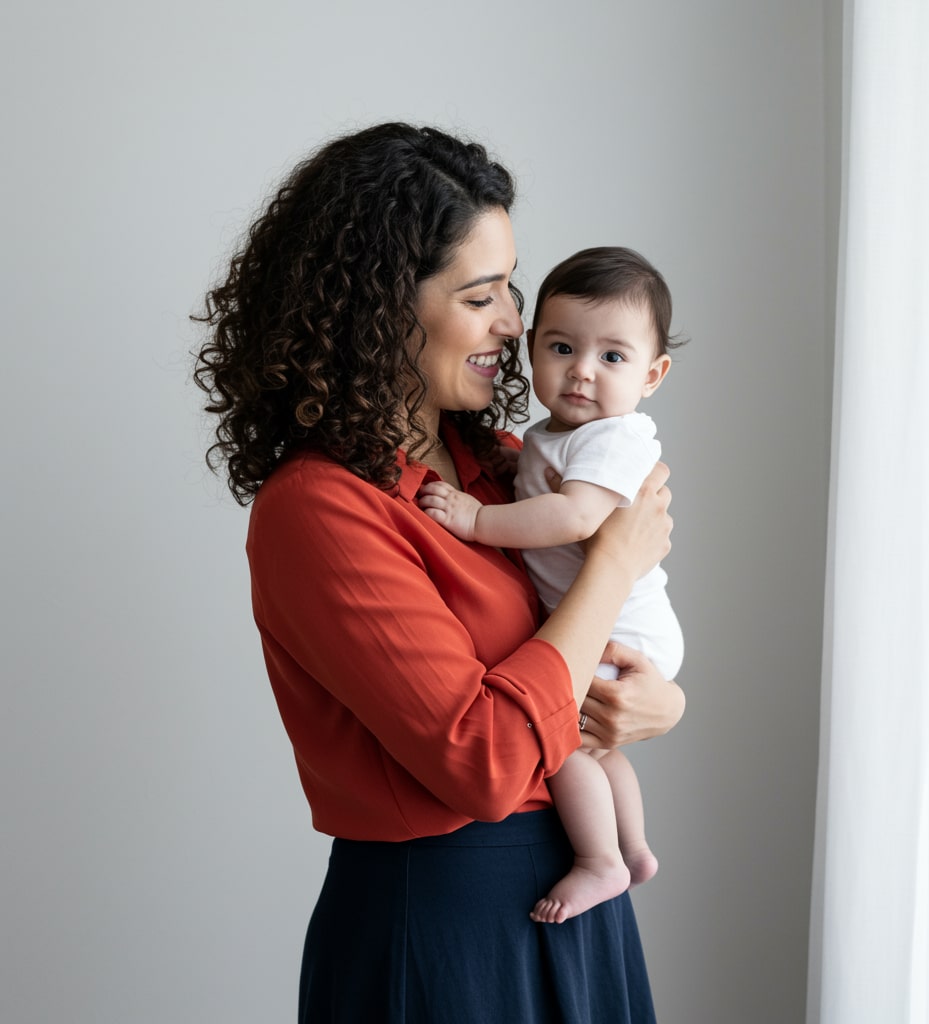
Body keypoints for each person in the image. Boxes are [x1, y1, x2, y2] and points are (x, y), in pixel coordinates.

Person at [192, 123, 684, 1023]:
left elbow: (601, 660)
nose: (515, 323)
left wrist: (661, 702)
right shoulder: (321, 509)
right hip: (444, 928)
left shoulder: (504, 463)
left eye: (511, 288)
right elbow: (487, 761)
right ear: (381, 307)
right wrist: (612, 566)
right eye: (481, 294)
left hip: (583, 889)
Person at [418, 247, 684, 925]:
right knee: (592, 748)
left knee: (559, 743)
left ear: (653, 375)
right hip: (614, 622)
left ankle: (602, 860)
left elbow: (574, 517)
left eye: (613, 358)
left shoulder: (612, 440)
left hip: (624, 630)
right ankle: (633, 846)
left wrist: (477, 521)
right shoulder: (546, 440)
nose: (583, 373)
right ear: (535, 348)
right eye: (562, 347)